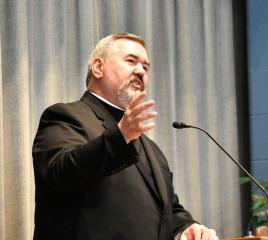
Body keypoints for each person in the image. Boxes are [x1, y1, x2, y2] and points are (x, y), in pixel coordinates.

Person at [32, 33, 218, 240]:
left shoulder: (153, 150)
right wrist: (121, 137)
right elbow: (61, 173)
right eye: (131, 61)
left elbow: (167, 210)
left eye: (146, 67)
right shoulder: (65, 116)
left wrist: (186, 226)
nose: (140, 71)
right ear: (98, 68)